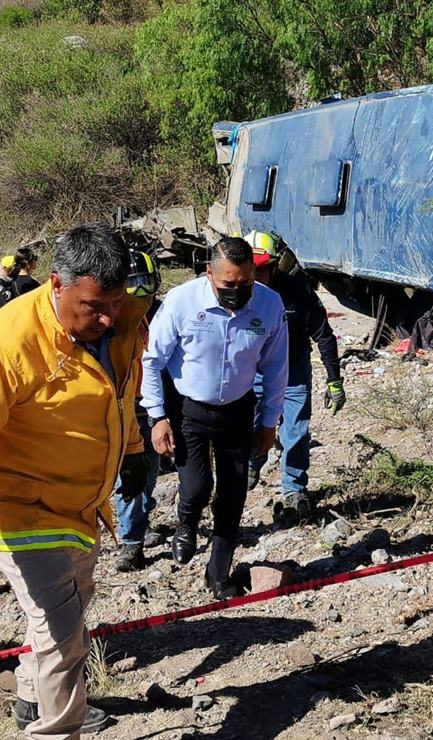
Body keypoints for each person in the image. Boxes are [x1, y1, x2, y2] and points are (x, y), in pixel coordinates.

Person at [0, 224, 150, 739]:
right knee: (63, 634)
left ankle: (29, 698)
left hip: (80, 504)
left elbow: (120, 394)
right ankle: (57, 729)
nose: (106, 316)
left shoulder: (124, 320)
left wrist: (132, 450)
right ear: (55, 284)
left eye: (115, 299)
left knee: (68, 606)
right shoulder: (10, 340)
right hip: (17, 505)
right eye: (93, 305)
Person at [141, 237, 288, 598]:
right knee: (196, 486)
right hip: (188, 409)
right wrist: (157, 417)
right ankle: (186, 522)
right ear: (209, 273)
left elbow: (276, 366)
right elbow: (152, 360)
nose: (237, 290)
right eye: (228, 284)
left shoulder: (268, 305)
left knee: (233, 493)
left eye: (245, 283)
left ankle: (218, 574)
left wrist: (269, 422)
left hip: (238, 409)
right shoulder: (182, 302)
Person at [244, 232, 345, 523]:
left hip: (293, 369)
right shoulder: (239, 293)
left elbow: (324, 334)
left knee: (296, 430)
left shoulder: (297, 292)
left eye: (261, 268)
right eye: (251, 268)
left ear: (275, 266)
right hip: (255, 370)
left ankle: (294, 488)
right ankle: (253, 462)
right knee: (248, 424)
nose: (255, 275)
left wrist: (334, 379)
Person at [113, 250, 164, 572]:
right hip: (124, 408)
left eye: (146, 283)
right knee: (128, 477)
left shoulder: (164, 312)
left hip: (155, 407)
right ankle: (131, 542)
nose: (142, 291)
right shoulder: (110, 321)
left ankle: (141, 521)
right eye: (135, 284)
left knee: (151, 473)